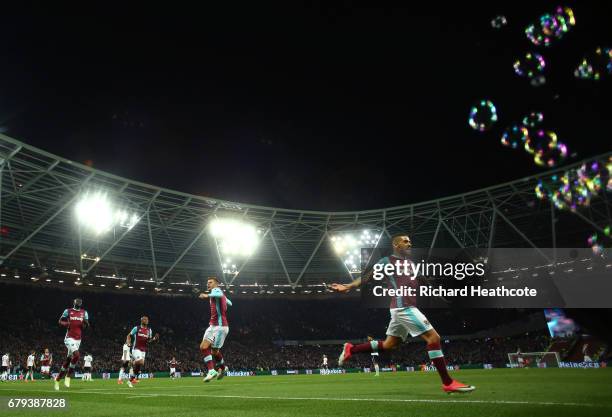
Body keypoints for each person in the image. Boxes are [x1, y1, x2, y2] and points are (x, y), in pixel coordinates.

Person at [329, 234, 475, 393]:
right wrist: (348, 286)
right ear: (396, 245)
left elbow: (421, 278)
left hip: (404, 308)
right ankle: (447, 382)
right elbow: (367, 276)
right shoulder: (386, 262)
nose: (409, 244)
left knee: (388, 344)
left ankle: (351, 349)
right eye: (405, 242)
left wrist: (438, 293)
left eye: (410, 242)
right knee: (434, 338)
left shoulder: (411, 264)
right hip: (403, 307)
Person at [199, 276, 232, 382]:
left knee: (214, 351)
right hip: (212, 326)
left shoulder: (216, 290)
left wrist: (206, 295)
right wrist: (226, 301)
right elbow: (230, 302)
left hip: (221, 327)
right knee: (203, 347)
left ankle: (222, 368)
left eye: (210, 282)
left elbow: (218, 294)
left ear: (216, 284)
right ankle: (212, 370)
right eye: (207, 282)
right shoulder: (217, 293)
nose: (208, 284)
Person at [54, 298, 89, 391]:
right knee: (77, 355)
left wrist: (85, 324)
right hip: (69, 338)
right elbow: (60, 321)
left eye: (80, 302)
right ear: (74, 303)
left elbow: (85, 326)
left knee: (68, 360)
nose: (79, 303)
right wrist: (66, 324)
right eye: (77, 302)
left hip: (78, 339)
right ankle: (68, 376)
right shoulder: (68, 311)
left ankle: (57, 380)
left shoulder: (84, 312)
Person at [125, 315, 159, 388]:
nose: (147, 320)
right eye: (145, 319)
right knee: (141, 362)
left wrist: (153, 339)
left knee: (138, 368)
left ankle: (129, 381)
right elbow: (128, 336)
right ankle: (132, 362)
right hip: (136, 348)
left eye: (147, 319)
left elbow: (148, 341)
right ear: (142, 320)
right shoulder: (136, 328)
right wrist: (128, 342)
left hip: (143, 350)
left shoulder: (149, 330)